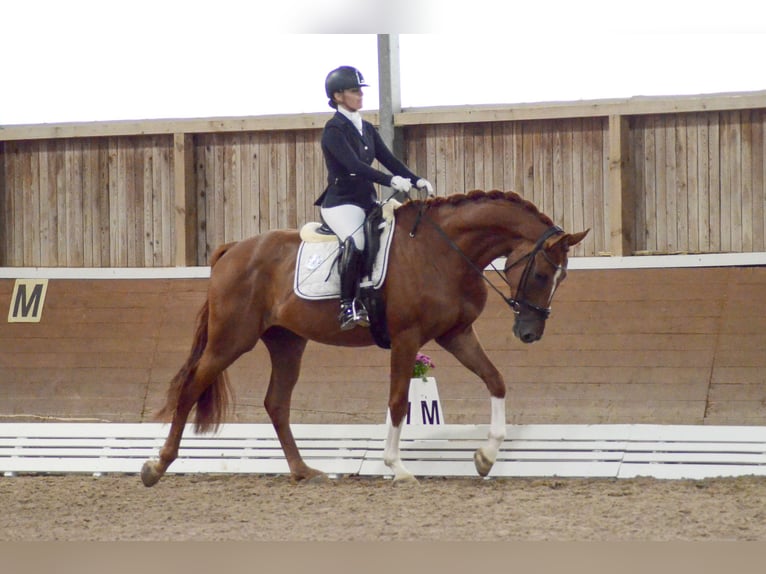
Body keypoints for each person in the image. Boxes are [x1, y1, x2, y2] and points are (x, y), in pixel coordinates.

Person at [315, 65, 433, 331]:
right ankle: (348, 305)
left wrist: (416, 179)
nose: (360, 95)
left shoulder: (366, 128)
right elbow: (354, 165)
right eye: (354, 91)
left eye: (360, 91)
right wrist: (390, 181)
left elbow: (389, 160)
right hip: (341, 202)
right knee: (355, 241)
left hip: (367, 201)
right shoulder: (333, 130)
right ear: (337, 96)